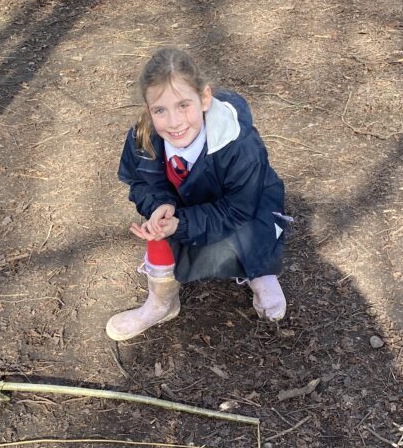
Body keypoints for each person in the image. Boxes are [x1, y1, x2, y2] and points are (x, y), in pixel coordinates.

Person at [106, 48, 288, 342]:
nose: (174, 122)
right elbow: (141, 183)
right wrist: (159, 205)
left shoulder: (240, 144)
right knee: (158, 230)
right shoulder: (143, 136)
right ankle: (161, 303)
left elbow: (239, 208)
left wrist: (185, 223)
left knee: (253, 228)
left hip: (242, 206)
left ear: (204, 98)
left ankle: (260, 272)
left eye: (183, 105)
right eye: (160, 110)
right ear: (148, 108)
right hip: (187, 204)